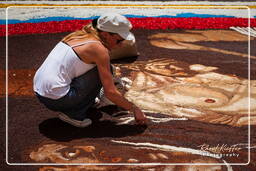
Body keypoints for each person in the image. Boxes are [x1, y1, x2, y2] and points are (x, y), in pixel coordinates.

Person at [33, 13, 147, 127]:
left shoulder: (80, 35)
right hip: (57, 99)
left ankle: (83, 102)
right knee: (103, 71)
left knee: (106, 69)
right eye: (119, 41)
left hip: (40, 92)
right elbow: (110, 92)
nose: (121, 45)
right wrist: (134, 109)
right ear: (106, 35)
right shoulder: (99, 49)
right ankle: (74, 114)